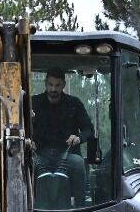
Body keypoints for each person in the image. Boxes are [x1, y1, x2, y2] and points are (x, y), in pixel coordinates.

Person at [31, 69, 94, 204]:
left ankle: (80, 207)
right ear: (45, 84)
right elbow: (19, 127)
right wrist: (28, 141)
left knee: (78, 163)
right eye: (50, 84)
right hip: (39, 154)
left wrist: (79, 138)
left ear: (63, 85)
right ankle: (27, 206)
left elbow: (88, 129)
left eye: (57, 85)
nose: (53, 89)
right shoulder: (33, 103)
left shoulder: (74, 104)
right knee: (26, 165)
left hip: (67, 154)